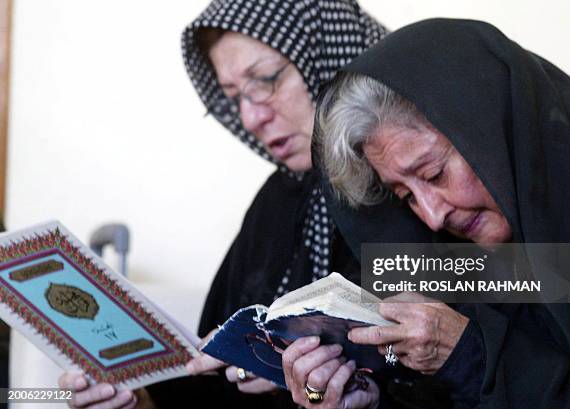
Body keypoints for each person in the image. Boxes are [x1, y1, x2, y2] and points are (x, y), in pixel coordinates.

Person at [58, 1, 388, 408]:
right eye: (234, 97)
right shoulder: (277, 199)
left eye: (265, 79)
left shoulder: (410, 190)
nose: (250, 117)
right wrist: (137, 398)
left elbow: (437, 375)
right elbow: (210, 371)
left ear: (328, 58)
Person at [283, 18, 570, 408]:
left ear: (494, 129)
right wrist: (365, 399)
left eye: (434, 173)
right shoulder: (459, 268)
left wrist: (471, 358)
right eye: (405, 196)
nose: (433, 215)